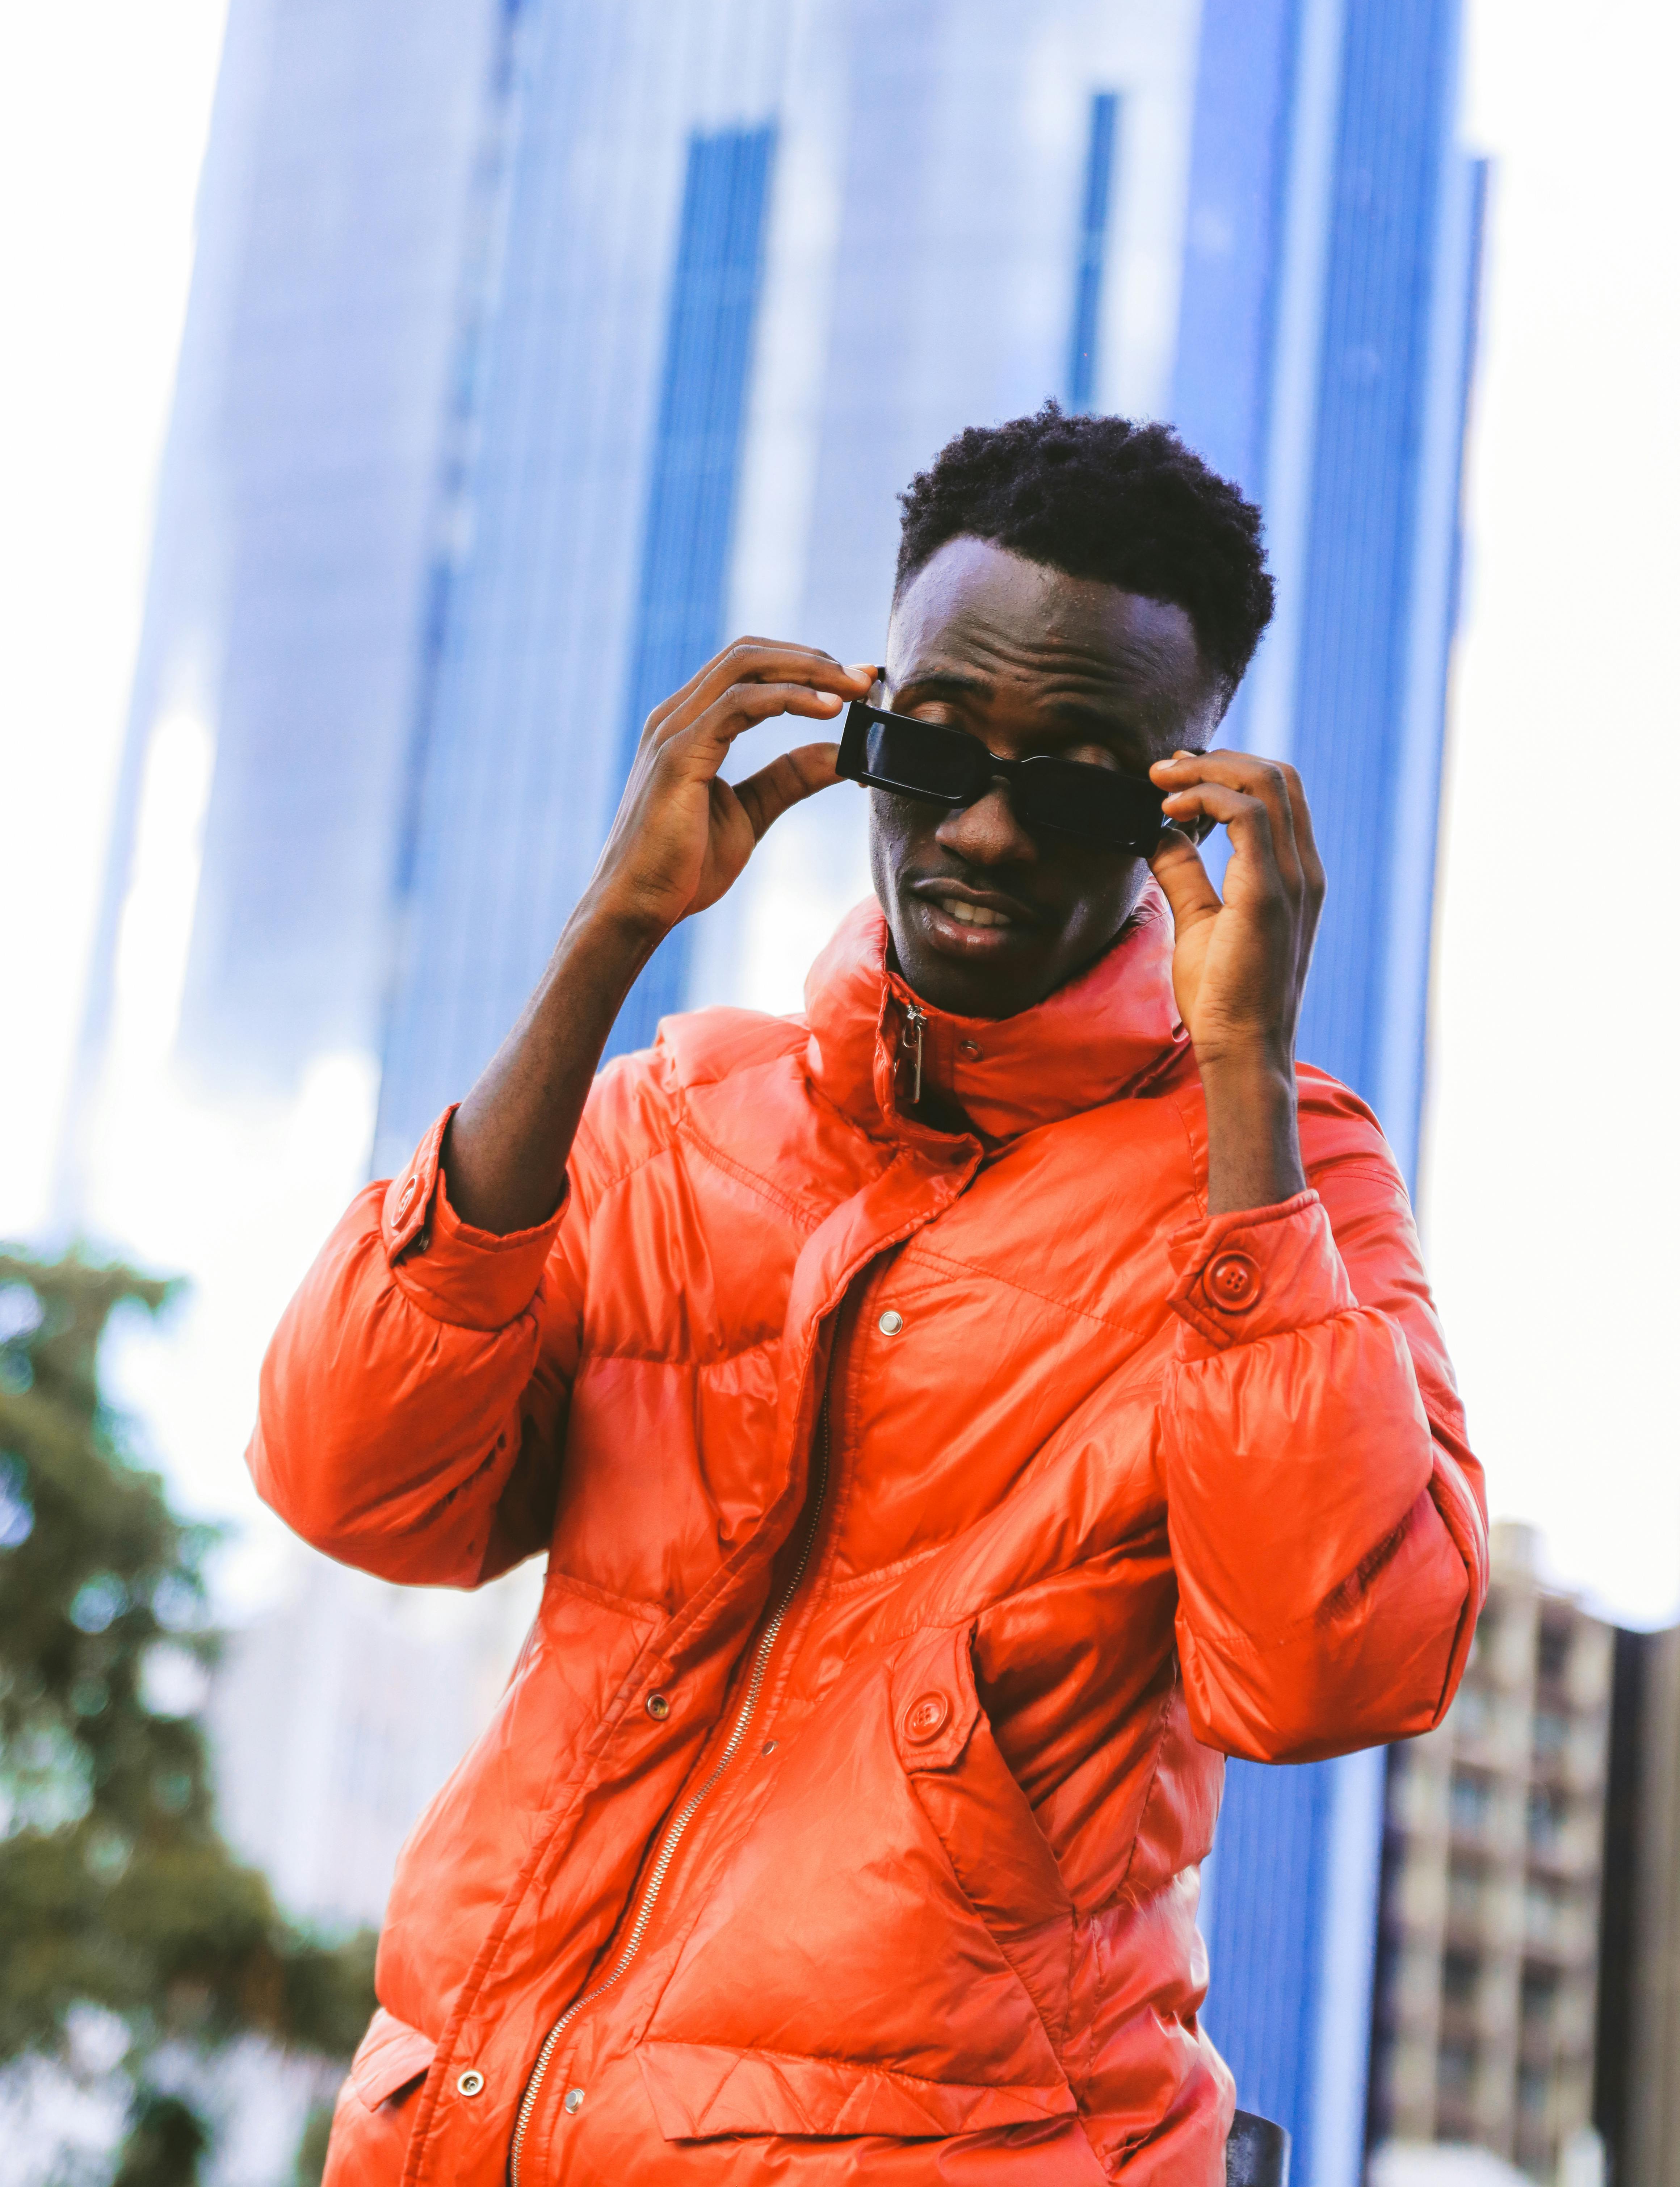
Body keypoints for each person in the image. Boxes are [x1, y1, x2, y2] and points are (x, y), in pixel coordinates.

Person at [252, 406, 1487, 2187]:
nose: (985, 830)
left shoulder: (1281, 1177)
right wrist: (609, 930)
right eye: (931, 750)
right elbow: (350, 1479)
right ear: (860, 727)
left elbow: (1330, 1669)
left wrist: (1239, 1085)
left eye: (1072, 781)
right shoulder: (674, 1121)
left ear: (1180, 801)